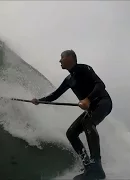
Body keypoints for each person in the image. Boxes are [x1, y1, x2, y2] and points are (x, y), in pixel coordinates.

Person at [31, 50, 112, 179]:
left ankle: (96, 166)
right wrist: (39, 100)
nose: (60, 60)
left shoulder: (85, 69)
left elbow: (100, 85)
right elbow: (55, 95)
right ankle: (88, 166)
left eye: (61, 57)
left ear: (70, 57)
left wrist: (88, 99)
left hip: (103, 102)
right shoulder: (69, 79)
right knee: (71, 133)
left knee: (88, 122)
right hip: (92, 109)